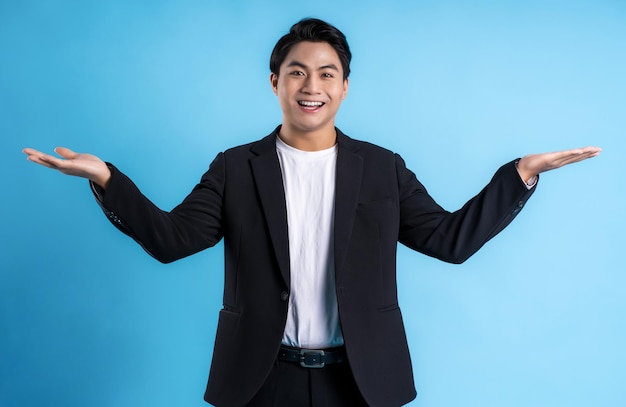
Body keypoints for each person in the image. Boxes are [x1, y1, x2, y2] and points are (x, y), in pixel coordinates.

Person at [23, 18, 600, 407]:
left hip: (362, 380)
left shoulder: (381, 168)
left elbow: (448, 241)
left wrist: (520, 175)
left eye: (327, 73)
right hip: (259, 378)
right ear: (275, 82)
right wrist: (105, 178)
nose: (311, 85)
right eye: (297, 71)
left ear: (345, 87)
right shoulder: (234, 167)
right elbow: (174, 240)